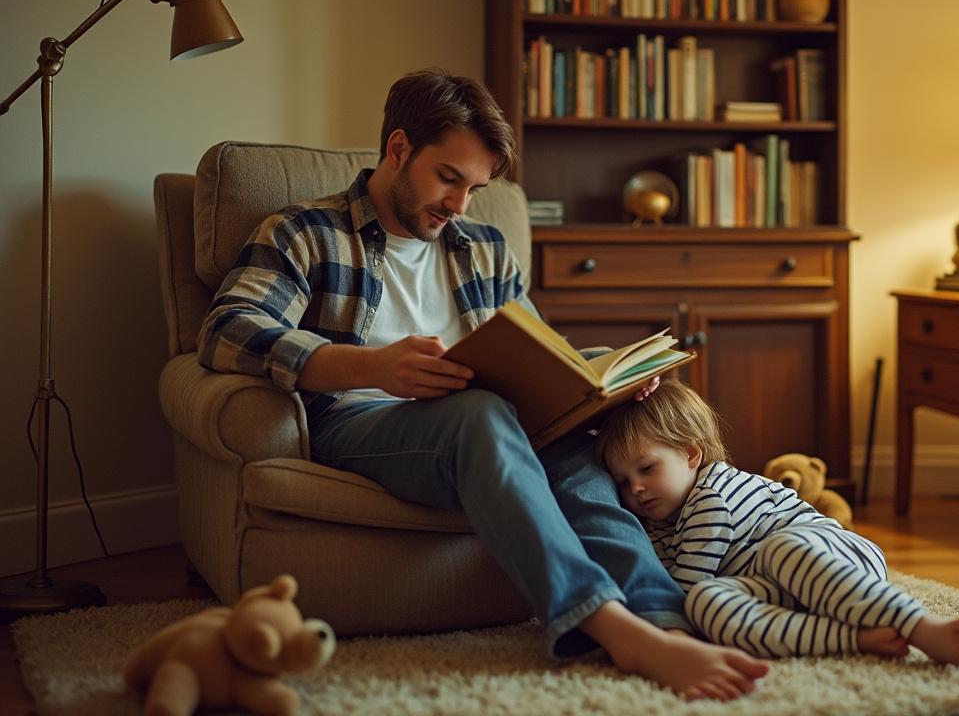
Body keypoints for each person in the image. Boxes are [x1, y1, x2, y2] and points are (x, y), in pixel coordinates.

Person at [198, 68, 768, 700]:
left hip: (489, 419)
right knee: (482, 414)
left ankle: (662, 618)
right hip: (360, 420)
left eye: (474, 187)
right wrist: (371, 367)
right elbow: (227, 329)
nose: (460, 205)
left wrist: (599, 376)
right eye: (449, 178)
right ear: (398, 148)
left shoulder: (485, 248)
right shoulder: (304, 231)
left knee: (571, 446)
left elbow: (539, 353)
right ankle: (612, 628)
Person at [596, 381, 959, 664]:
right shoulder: (657, 527)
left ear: (690, 454)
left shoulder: (711, 494)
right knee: (706, 604)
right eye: (622, 482)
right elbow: (688, 597)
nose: (636, 489)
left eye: (647, 469)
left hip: (836, 561)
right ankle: (853, 638)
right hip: (780, 592)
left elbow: (681, 588)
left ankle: (918, 625)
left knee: (779, 550)